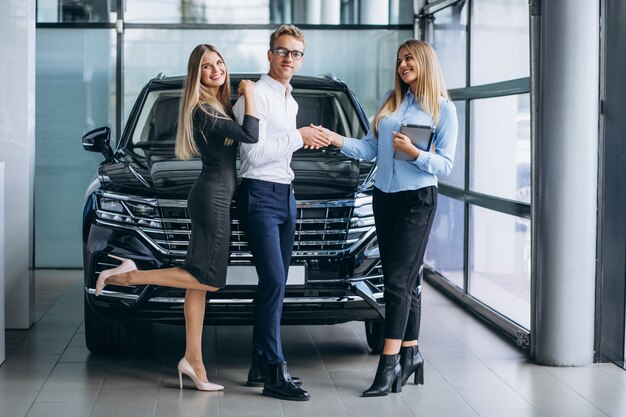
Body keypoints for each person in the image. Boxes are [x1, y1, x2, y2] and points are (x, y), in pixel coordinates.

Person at [94, 44, 260, 392]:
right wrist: (250, 92)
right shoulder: (203, 108)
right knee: (209, 280)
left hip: (213, 195)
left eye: (218, 62)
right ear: (196, 75)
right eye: (205, 67)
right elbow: (249, 135)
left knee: (195, 287)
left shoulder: (219, 105)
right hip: (211, 199)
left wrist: (240, 96)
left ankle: (193, 362)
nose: (215, 69)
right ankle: (130, 275)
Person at [312, 39, 458, 397]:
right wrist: (333, 138)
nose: (403, 64)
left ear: (424, 62)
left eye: (409, 58)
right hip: (384, 198)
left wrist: (414, 153)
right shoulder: (390, 102)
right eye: (399, 60)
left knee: (394, 283)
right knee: (407, 281)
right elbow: (368, 149)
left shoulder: (442, 109)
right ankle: (411, 354)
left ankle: (388, 364)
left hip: (417, 201)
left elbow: (446, 164)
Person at [233, 24, 330, 401]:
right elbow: (251, 154)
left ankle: (259, 363)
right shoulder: (253, 96)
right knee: (274, 281)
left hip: (285, 194)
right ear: (270, 54)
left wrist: (308, 139)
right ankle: (275, 372)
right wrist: (297, 137)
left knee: (274, 284)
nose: (289, 59)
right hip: (258, 194)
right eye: (283, 51)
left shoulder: (290, 101)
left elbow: (280, 149)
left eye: (296, 54)